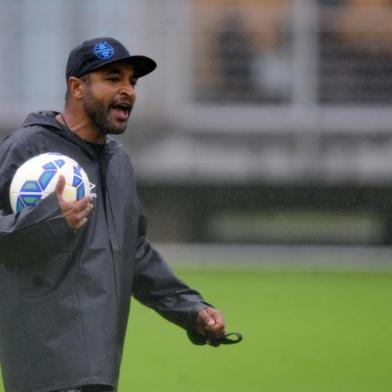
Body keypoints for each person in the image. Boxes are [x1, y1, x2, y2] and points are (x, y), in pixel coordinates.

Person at [0, 37, 227, 392]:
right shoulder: (27, 148)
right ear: (77, 87)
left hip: (99, 370)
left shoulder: (118, 162)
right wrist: (49, 220)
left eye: (132, 82)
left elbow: (133, 253)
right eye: (113, 78)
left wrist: (191, 310)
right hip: (45, 372)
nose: (127, 91)